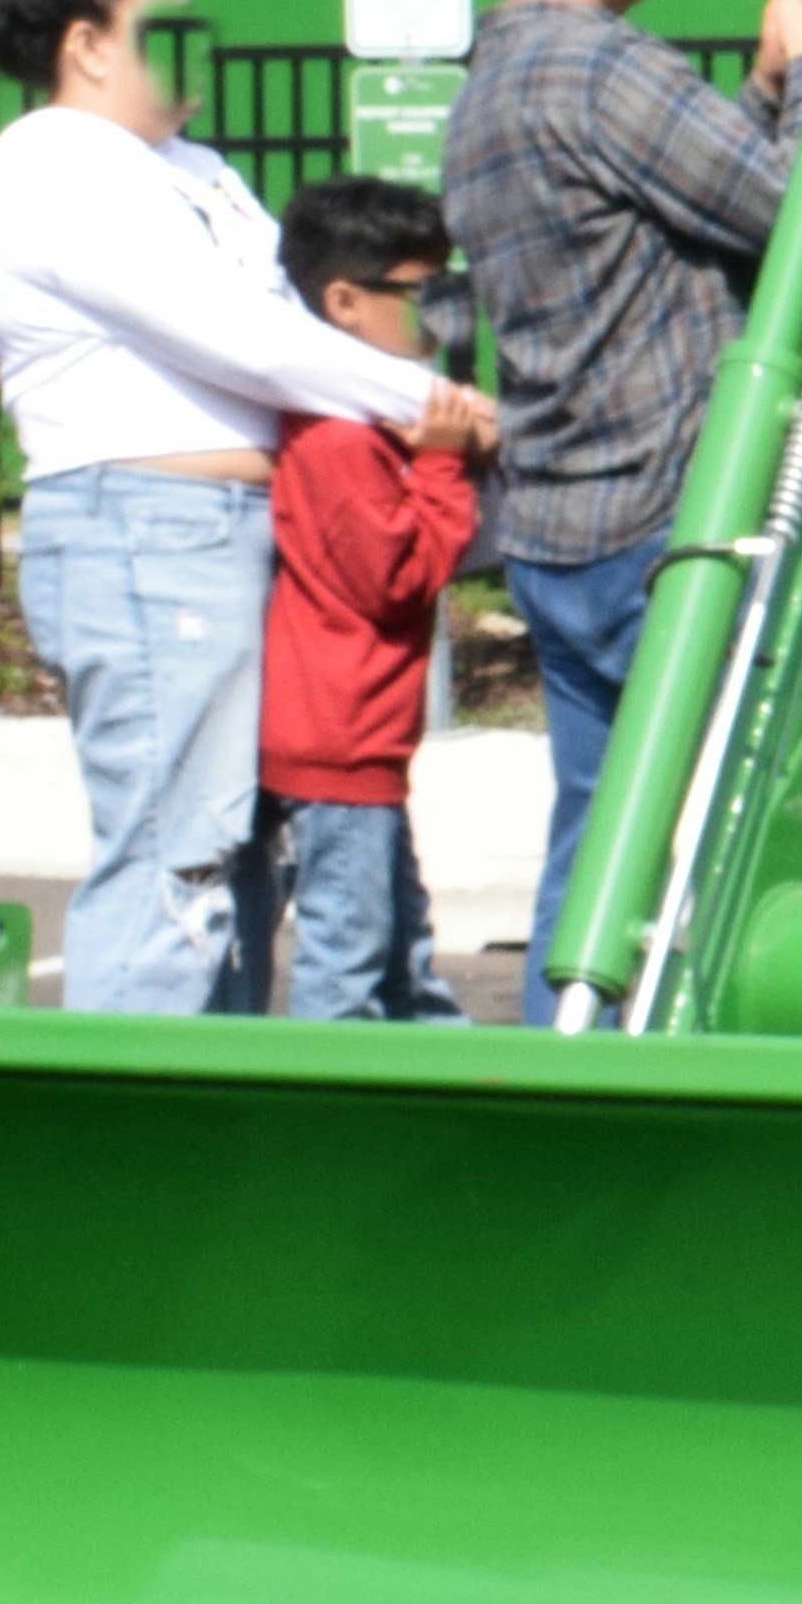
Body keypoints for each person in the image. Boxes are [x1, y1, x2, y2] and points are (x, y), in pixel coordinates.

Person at [0, 0, 485, 1017]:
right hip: (145, 537)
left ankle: (217, 1116)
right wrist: (429, 399)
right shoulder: (53, 159)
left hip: (235, 542)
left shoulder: (198, 174)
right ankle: (138, 1141)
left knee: (251, 852)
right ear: (88, 45)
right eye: (165, 24)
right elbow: (243, 338)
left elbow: (294, 331)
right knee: (178, 852)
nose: (194, 46)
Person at [437, 0, 802, 971]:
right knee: (732, 829)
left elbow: (689, 208)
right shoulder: (598, 64)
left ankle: (572, 1066)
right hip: (663, 533)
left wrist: (763, 82)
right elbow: (792, 216)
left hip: (559, 531)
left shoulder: (492, 87)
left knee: (599, 838)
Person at [262, 176, 479, 1022]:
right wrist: (442, 463)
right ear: (345, 302)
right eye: (422, 292)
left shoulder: (353, 423)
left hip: (356, 746)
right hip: (342, 745)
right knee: (350, 963)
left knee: (398, 954)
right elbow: (395, 578)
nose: (440, 315)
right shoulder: (341, 440)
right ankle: (331, 1127)